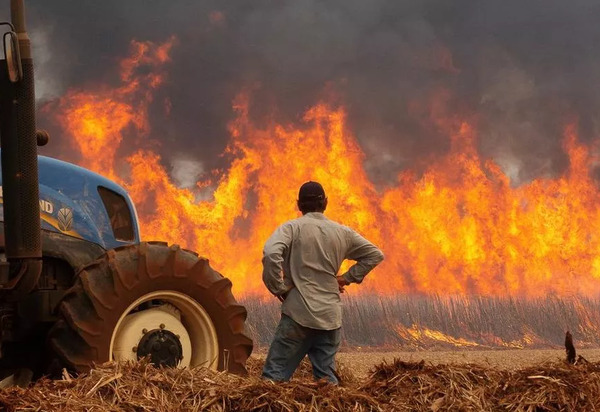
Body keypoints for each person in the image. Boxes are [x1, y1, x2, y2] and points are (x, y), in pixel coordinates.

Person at [261, 181, 384, 384]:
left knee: (273, 379)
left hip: (298, 315)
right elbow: (375, 255)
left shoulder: (291, 228)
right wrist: (346, 278)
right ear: (325, 203)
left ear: (299, 204)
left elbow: (272, 252)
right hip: (330, 318)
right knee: (327, 385)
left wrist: (278, 287)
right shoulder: (343, 232)